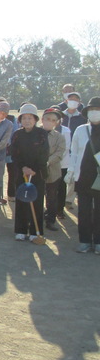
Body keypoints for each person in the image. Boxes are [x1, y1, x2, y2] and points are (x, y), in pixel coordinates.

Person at [9, 103, 49, 241]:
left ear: (35, 119)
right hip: (22, 172)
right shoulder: (17, 134)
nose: (27, 120)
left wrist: (34, 170)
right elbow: (14, 154)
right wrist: (23, 168)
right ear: (20, 120)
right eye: (24, 118)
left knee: (36, 202)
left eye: (30, 118)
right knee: (21, 200)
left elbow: (44, 154)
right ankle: (20, 230)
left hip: (38, 173)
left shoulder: (42, 134)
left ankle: (35, 232)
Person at [66, 97, 100, 253]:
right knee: (84, 210)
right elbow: (73, 153)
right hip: (83, 177)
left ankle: (98, 242)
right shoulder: (81, 129)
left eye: (97, 110)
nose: (95, 113)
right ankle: (85, 240)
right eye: (92, 110)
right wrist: (71, 172)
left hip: (99, 178)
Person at [41, 108, 67, 231]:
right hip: (36, 171)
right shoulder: (35, 133)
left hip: (53, 171)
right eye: (47, 119)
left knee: (51, 197)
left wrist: (47, 162)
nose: (50, 122)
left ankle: (50, 220)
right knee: (37, 195)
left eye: (53, 120)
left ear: (56, 122)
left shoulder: (59, 137)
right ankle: (36, 218)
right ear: (42, 119)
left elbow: (59, 153)